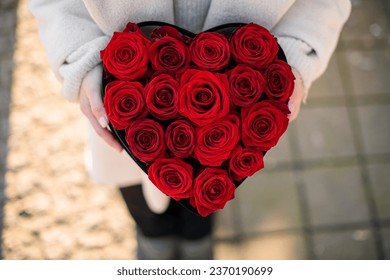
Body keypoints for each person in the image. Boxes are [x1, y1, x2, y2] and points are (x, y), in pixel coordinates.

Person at [29, 0, 351, 259]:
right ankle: (153, 244)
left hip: (242, 109)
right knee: (132, 182)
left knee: (208, 188)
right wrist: (80, 54)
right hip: (119, 94)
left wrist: (295, 53)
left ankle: (197, 249)